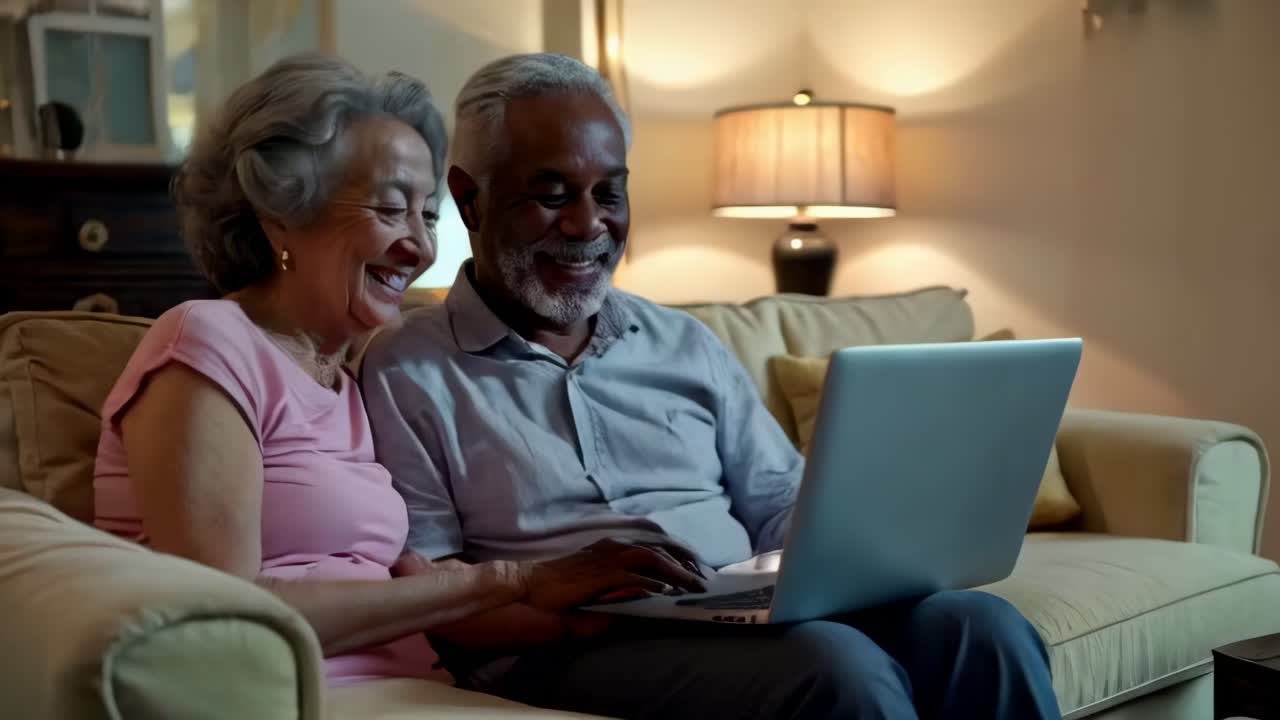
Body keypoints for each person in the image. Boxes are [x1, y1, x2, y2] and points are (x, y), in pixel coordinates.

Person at [361, 52, 1063, 719]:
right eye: (550, 196)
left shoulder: (684, 343)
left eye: (610, 192)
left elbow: (779, 500)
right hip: (562, 645)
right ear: (469, 200)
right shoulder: (408, 368)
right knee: (836, 667)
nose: (588, 223)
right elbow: (428, 590)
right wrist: (575, 607)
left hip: (739, 608)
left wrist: (862, 554)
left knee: (979, 626)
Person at [91, 53, 704, 690]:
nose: (421, 248)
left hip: (417, 687)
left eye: (428, 215)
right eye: (390, 211)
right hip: (291, 694)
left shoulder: (346, 381)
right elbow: (225, 615)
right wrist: (515, 580)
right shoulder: (208, 343)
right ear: (281, 214)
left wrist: (586, 615)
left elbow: (402, 594)